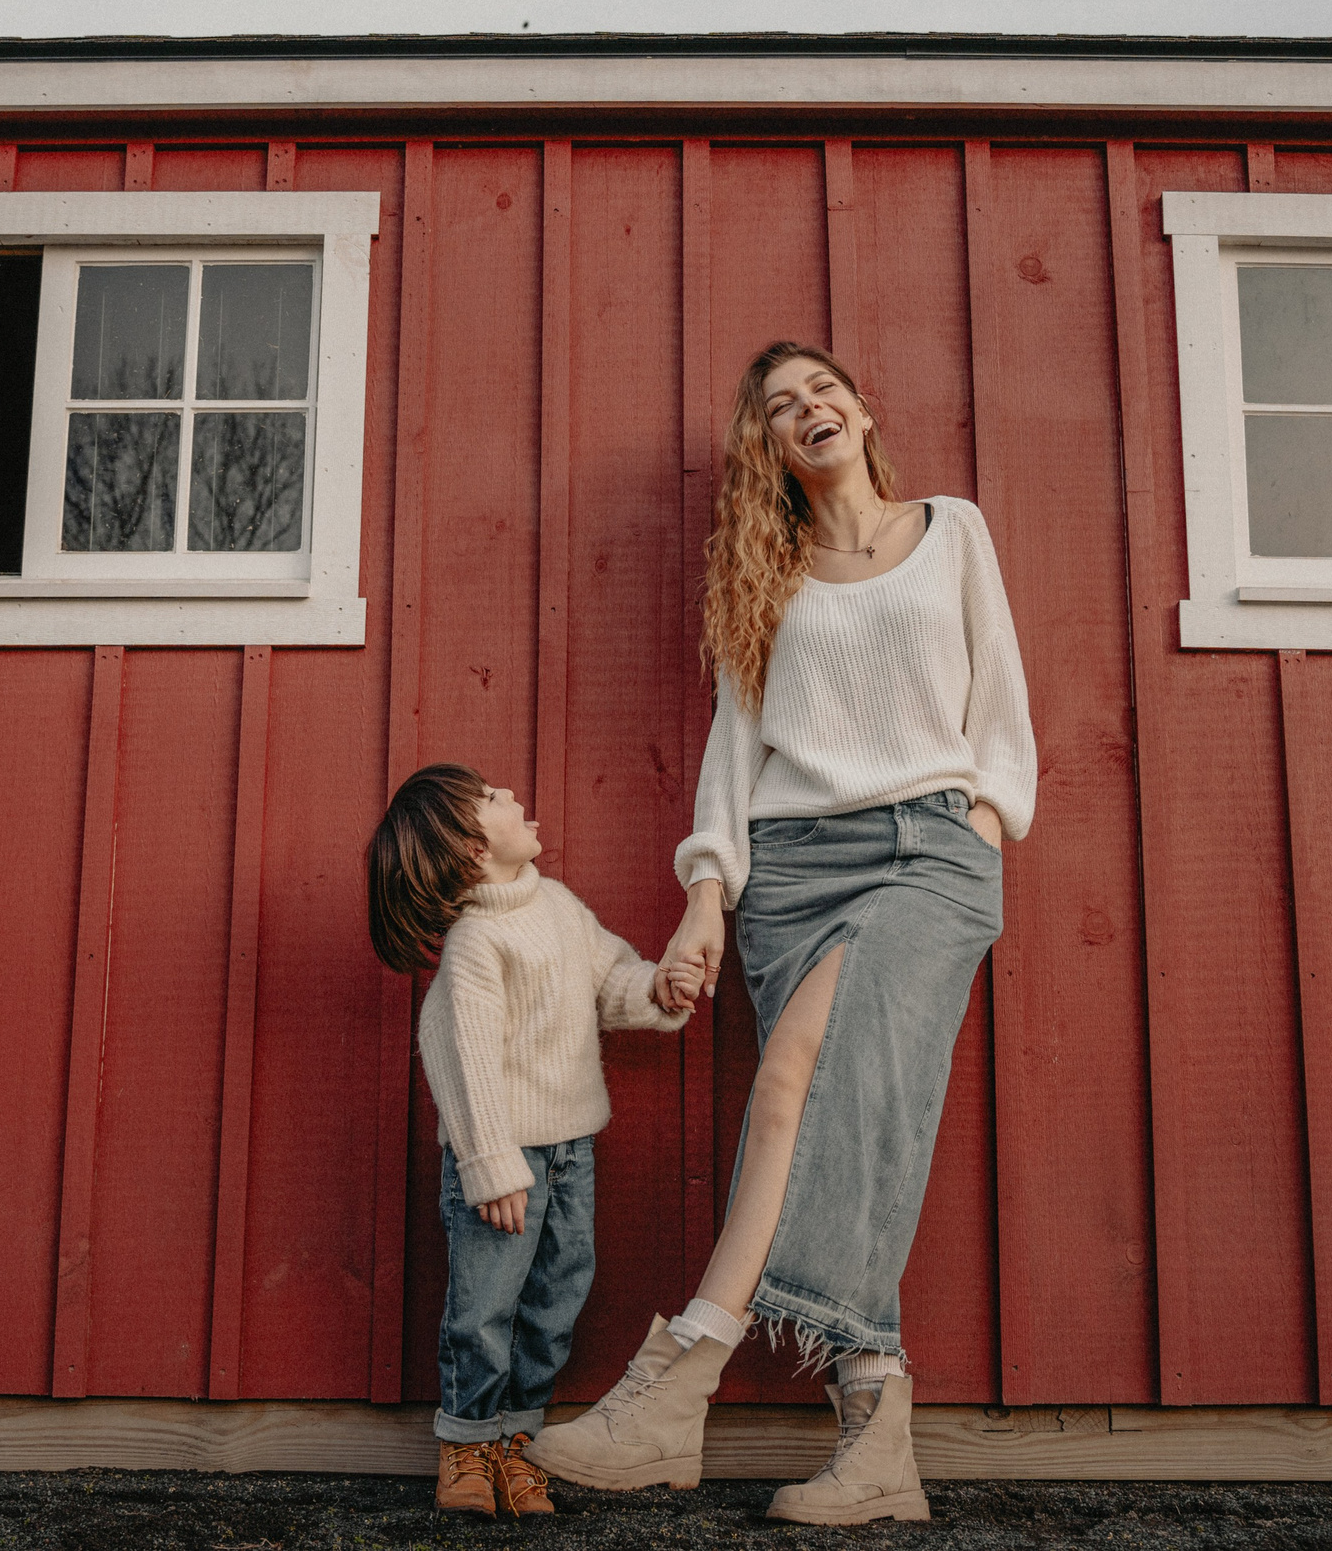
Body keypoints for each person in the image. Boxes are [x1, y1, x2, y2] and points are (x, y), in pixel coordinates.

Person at [529, 342, 1036, 1525]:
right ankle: (878, 1439)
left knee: (800, 1077)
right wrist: (707, 893)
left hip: (926, 853)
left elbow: (1000, 697)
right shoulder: (767, 571)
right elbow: (733, 749)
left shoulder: (950, 529)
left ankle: (678, 1377)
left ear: (863, 409)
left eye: (820, 391)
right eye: (777, 407)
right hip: (793, 868)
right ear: (767, 448)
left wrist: (982, 813)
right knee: (837, 1115)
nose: (806, 409)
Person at [367, 764, 706, 1518]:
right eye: (491, 799)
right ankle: (466, 1444)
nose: (513, 796)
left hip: (570, 1151)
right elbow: (464, 1062)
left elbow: (606, 977)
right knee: (485, 1308)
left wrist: (655, 988)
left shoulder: (556, 907)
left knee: (556, 1298)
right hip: (505, 1161)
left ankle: (517, 1442)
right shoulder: (477, 945)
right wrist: (491, 1166)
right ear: (470, 850)